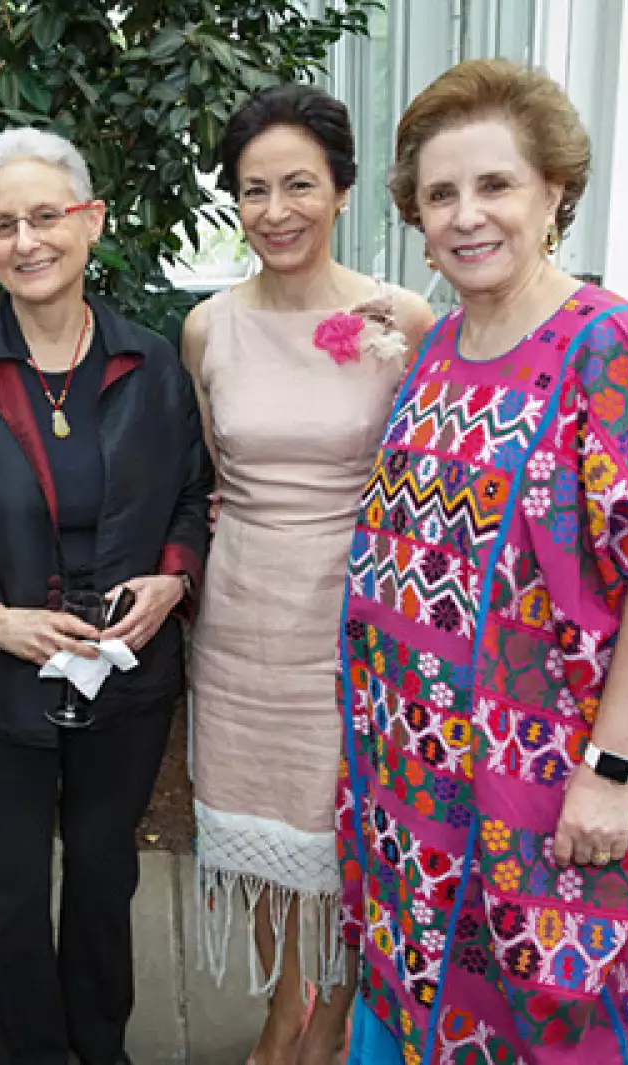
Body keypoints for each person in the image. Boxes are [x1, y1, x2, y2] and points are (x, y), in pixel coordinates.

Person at [336, 60, 628, 1065]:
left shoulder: (612, 352)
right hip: (418, 798)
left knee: (552, 1023)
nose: (466, 216)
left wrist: (610, 771)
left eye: (494, 185)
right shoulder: (440, 347)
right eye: (440, 194)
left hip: (547, 798)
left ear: (553, 191)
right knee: (424, 1016)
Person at [0, 127, 213, 1065]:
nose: (29, 241)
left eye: (47, 216)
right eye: (5, 225)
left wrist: (175, 574)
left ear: (91, 222)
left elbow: (192, 493)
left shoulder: (153, 368)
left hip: (123, 681)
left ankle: (102, 1049)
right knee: (9, 894)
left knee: (105, 878)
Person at [181, 85, 433, 1065]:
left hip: (356, 629)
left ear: (340, 191)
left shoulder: (399, 318)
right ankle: (284, 1018)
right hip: (243, 633)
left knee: (344, 843)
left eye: (298, 185)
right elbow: (217, 473)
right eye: (253, 190)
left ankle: (328, 1022)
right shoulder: (208, 329)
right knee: (265, 848)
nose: (275, 210)